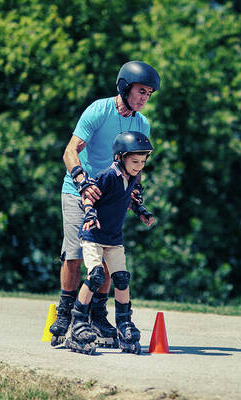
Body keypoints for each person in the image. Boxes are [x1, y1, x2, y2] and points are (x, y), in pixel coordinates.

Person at [50, 61, 160, 347]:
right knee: (75, 255)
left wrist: (135, 191)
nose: (144, 98)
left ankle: (97, 314)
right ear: (125, 87)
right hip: (79, 190)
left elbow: (137, 162)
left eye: (149, 93)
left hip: (112, 195)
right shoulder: (99, 110)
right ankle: (65, 314)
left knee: (109, 255)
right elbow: (70, 151)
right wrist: (83, 182)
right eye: (140, 91)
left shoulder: (142, 123)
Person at [65, 131, 155, 355]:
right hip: (94, 236)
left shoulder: (132, 177)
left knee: (122, 278)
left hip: (114, 238)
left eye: (143, 162)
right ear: (120, 158)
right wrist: (89, 214)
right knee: (95, 275)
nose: (139, 166)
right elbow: (88, 196)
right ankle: (78, 322)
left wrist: (141, 212)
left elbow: (130, 199)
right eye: (135, 161)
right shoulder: (108, 176)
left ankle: (124, 323)